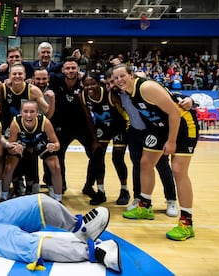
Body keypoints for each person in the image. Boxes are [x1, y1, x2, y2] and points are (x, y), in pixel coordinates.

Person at [113, 63, 199, 241]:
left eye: (122, 76)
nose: (119, 80)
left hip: (182, 125)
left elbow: (175, 112)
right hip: (159, 127)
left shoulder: (146, 87)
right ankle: (144, 206)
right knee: (145, 163)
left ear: (131, 75)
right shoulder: (127, 93)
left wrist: (171, 141)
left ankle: (186, 223)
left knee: (178, 170)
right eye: (116, 78)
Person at [105, 67, 179, 216]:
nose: (113, 84)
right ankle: (140, 199)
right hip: (134, 131)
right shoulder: (116, 94)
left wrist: (188, 99)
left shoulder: (140, 86)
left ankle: (171, 200)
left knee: (162, 165)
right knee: (138, 166)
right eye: (110, 82)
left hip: (152, 130)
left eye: (114, 80)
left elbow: (169, 98)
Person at [46, 56, 98, 192]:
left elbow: (97, 84)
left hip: (82, 125)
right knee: (58, 155)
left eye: (73, 68)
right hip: (61, 125)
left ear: (78, 70)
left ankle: (89, 185)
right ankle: (61, 184)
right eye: (67, 68)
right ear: (62, 70)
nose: (70, 71)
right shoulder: (55, 79)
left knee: (95, 154)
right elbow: (47, 71)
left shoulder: (84, 82)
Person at [80, 71, 130, 205]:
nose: (90, 87)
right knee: (97, 157)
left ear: (99, 83)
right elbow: (89, 119)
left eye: (93, 84)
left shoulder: (111, 95)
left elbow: (127, 111)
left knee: (117, 158)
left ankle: (124, 190)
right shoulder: (83, 96)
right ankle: (100, 192)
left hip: (120, 126)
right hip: (102, 127)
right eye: (86, 85)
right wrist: (94, 139)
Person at [2, 101, 63, 202]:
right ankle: (3, 197)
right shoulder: (15, 122)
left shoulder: (44, 121)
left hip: (40, 142)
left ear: (37, 112)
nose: (29, 115)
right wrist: (14, 149)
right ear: (21, 112)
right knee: (9, 167)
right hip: (22, 143)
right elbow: (9, 147)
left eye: (32, 111)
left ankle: (58, 199)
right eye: (25, 111)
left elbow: (57, 144)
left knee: (56, 167)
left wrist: (53, 147)